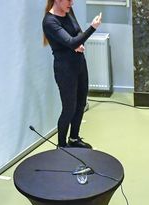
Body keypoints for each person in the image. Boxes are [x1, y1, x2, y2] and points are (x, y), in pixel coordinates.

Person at [42, 0, 101, 149]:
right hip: (65, 70)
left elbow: (77, 33)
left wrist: (77, 43)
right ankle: (61, 146)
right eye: (68, 0)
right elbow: (71, 41)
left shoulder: (68, 12)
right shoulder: (50, 21)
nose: (72, 3)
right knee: (69, 109)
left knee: (81, 104)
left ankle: (74, 138)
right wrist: (92, 28)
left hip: (80, 65)